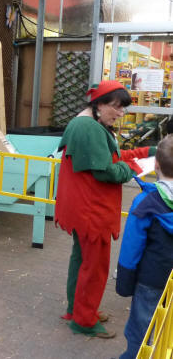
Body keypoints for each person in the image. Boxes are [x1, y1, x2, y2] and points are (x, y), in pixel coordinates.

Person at [55, 80, 156, 338]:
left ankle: (76, 309)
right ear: (99, 104)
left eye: (123, 108)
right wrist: (136, 167)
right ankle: (84, 320)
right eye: (116, 107)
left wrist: (147, 152)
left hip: (83, 208)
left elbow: (113, 157)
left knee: (82, 261)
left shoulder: (90, 124)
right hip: (92, 212)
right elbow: (108, 172)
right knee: (95, 267)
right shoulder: (89, 129)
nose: (121, 113)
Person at [116, 135, 173, 358]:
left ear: (156, 164)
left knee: (141, 329)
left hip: (151, 279)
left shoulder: (145, 202)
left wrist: (125, 281)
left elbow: (132, 246)